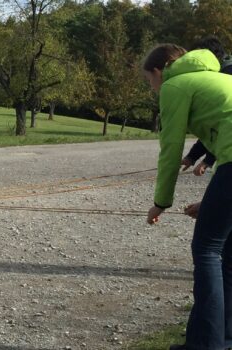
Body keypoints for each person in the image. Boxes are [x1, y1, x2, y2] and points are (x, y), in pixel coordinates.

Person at [142, 44, 232, 350]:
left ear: (159, 71)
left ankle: (207, 346)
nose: (152, 89)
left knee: (207, 250)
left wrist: (161, 202)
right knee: (227, 253)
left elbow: (170, 147)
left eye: (149, 81)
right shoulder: (217, 78)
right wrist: (209, 205)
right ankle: (221, 338)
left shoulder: (175, 85)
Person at [180, 36, 231, 176]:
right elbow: (214, 129)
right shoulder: (219, 73)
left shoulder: (226, 74)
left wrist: (208, 160)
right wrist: (192, 156)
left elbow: (226, 126)